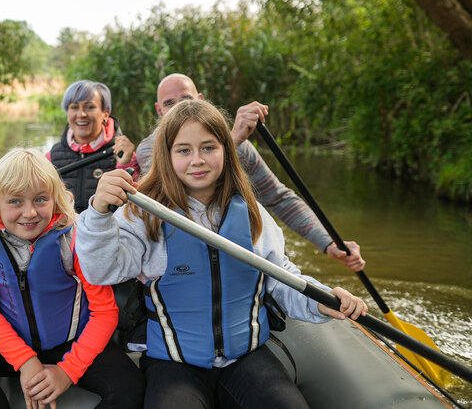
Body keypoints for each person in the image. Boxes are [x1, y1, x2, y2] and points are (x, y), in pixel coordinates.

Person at [75, 99, 368, 409]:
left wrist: (322, 301)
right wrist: (97, 214)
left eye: (209, 148)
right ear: (167, 156)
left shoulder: (252, 214)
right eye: (184, 150)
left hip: (246, 357)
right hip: (175, 362)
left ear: (226, 151)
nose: (197, 160)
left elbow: (282, 279)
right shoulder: (143, 214)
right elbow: (100, 271)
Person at [0, 147, 144, 409]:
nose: (30, 213)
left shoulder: (74, 238)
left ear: (55, 199)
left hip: (72, 343)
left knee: (131, 388)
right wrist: (25, 360)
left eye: (40, 200)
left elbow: (104, 313)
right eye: (15, 201)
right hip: (12, 343)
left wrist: (67, 372)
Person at [136, 73, 365, 272]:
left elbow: (279, 198)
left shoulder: (242, 147)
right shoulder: (148, 148)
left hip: (240, 254)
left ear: (200, 101)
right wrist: (232, 140)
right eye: (169, 103)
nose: (178, 108)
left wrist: (329, 243)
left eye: (185, 99)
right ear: (159, 110)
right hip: (183, 262)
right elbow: (171, 192)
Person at [48, 79, 140, 214]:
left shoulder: (123, 154)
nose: (81, 114)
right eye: (74, 107)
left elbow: (134, 209)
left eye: (90, 107)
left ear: (105, 113)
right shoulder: (51, 156)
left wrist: (126, 164)